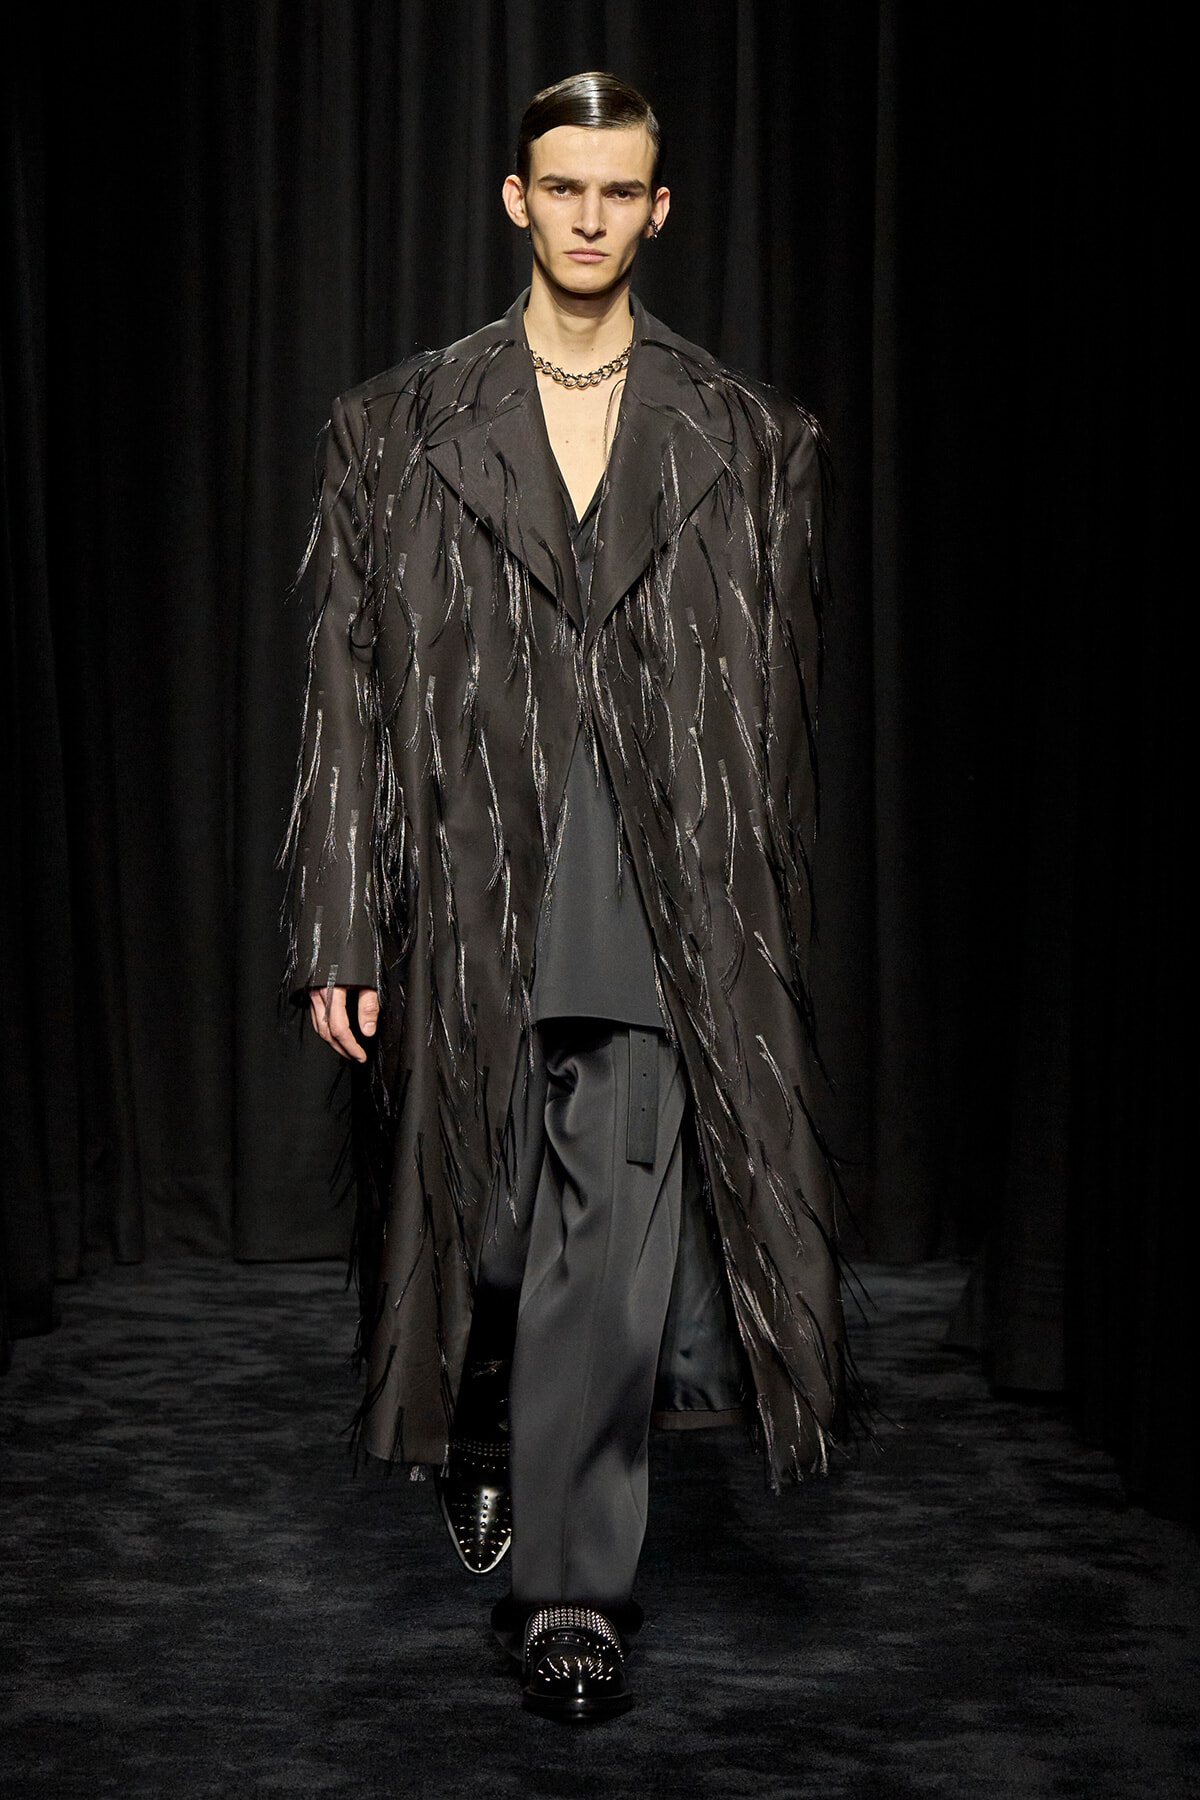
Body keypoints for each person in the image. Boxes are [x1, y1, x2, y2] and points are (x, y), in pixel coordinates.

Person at [282, 70, 850, 1723]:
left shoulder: (753, 439)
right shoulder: (394, 427)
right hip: (467, 881)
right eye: (564, 188)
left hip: (659, 889)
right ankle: (484, 1398)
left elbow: (779, 714)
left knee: (616, 1238)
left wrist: (763, 937)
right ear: (514, 200)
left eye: (622, 192)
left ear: (658, 210)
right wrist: (337, 911)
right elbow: (346, 681)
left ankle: (572, 1590)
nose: (591, 216)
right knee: (504, 1227)